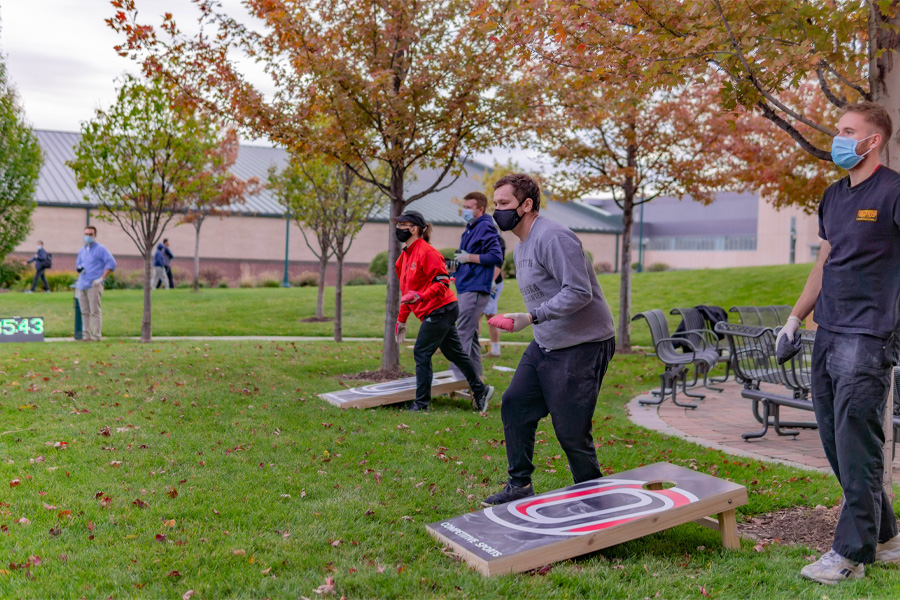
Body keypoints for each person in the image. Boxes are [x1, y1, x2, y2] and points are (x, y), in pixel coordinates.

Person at [775, 102, 900, 585]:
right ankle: (887, 537)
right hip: (827, 333)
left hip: (868, 337)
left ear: (875, 141)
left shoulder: (892, 191)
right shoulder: (832, 196)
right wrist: (794, 317)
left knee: (857, 445)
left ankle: (849, 556)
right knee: (835, 441)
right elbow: (825, 262)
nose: (838, 138)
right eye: (838, 129)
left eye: (849, 131)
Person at [481, 173, 616, 507]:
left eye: (504, 204)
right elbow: (545, 295)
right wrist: (525, 316)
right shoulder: (522, 245)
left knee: (571, 431)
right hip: (547, 343)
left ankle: (594, 500)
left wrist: (531, 317)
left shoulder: (553, 236)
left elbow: (579, 292)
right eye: (495, 204)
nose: (497, 211)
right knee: (515, 405)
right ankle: (520, 485)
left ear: (526, 205)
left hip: (583, 344)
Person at [393, 210, 494, 413]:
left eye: (402, 225)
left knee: (421, 352)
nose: (398, 229)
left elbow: (442, 283)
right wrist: (401, 320)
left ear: (414, 229)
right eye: (397, 225)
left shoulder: (427, 252)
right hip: (434, 310)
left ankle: (421, 405)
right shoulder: (403, 258)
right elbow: (407, 293)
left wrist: (421, 297)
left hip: (441, 309)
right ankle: (480, 389)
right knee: (454, 353)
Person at [450, 192, 503, 381]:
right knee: (470, 335)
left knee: (461, 332)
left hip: (476, 288)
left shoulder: (486, 227)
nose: (465, 210)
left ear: (480, 209)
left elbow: (496, 256)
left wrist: (469, 258)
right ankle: (475, 378)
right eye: (464, 207)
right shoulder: (470, 227)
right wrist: (455, 272)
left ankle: (456, 378)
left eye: (469, 207)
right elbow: (463, 257)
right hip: (466, 285)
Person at [75, 226, 116, 342]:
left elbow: (111, 263)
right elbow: (78, 264)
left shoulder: (101, 249)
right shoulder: (82, 250)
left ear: (95, 235)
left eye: (90, 234)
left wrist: (102, 278)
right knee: (84, 312)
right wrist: (79, 268)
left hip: (94, 284)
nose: (88, 237)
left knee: (95, 311)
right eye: (86, 234)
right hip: (82, 284)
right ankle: (86, 336)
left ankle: (97, 336)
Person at [480, 232, 507, 357]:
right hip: (480, 281)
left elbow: (498, 263)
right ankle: (495, 351)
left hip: (492, 283)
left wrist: (491, 281)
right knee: (488, 316)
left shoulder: (497, 240)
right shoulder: (477, 237)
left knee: (479, 315)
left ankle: (472, 348)